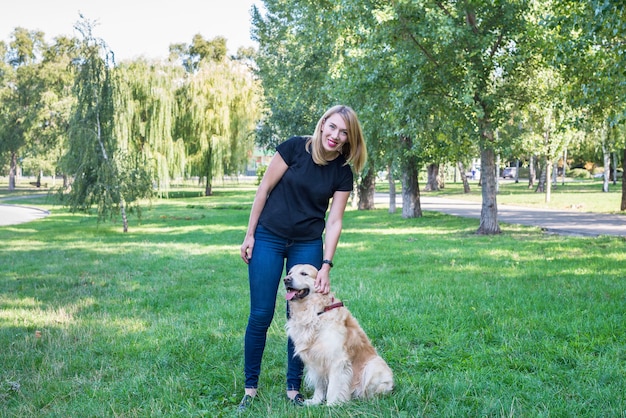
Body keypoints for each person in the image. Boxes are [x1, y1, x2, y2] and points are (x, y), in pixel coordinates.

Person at [237, 105, 368, 410]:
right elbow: (264, 189)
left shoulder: (342, 173)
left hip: (307, 243)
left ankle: (294, 389)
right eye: (332, 127)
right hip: (268, 236)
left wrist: (326, 264)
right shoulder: (295, 148)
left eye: (344, 132)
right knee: (260, 314)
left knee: (301, 317)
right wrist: (250, 234)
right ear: (323, 125)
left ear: (350, 139)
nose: (336, 135)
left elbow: (334, 221)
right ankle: (250, 389)